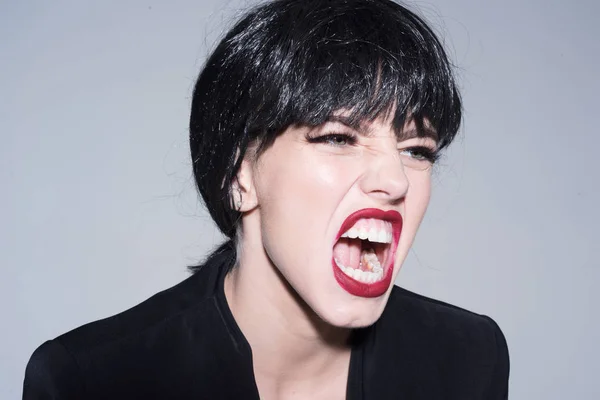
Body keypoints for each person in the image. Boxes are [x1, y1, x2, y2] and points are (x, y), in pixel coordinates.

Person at [23, 0, 510, 398]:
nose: (396, 179)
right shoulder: (90, 381)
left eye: (417, 150)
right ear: (240, 173)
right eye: (338, 138)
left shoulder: (467, 360)